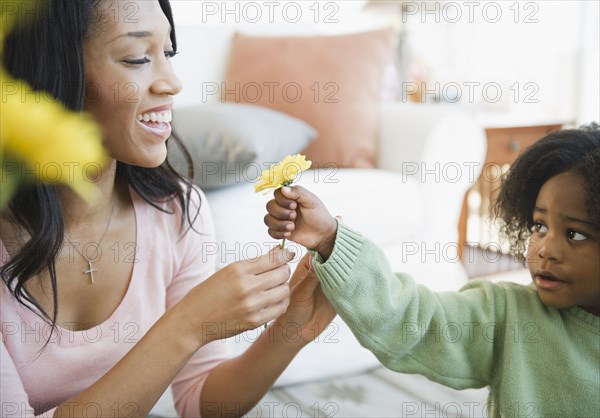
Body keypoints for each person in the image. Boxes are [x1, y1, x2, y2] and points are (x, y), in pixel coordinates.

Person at [0, 1, 335, 417]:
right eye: (137, 58)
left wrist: (292, 329)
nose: (172, 83)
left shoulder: (177, 211)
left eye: (169, 54)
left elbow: (201, 401)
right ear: (47, 75)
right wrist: (187, 325)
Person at [264, 124, 600, 417]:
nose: (545, 249)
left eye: (576, 234)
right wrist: (330, 239)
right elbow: (413, 319)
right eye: (539, 226)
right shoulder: (507, 316)